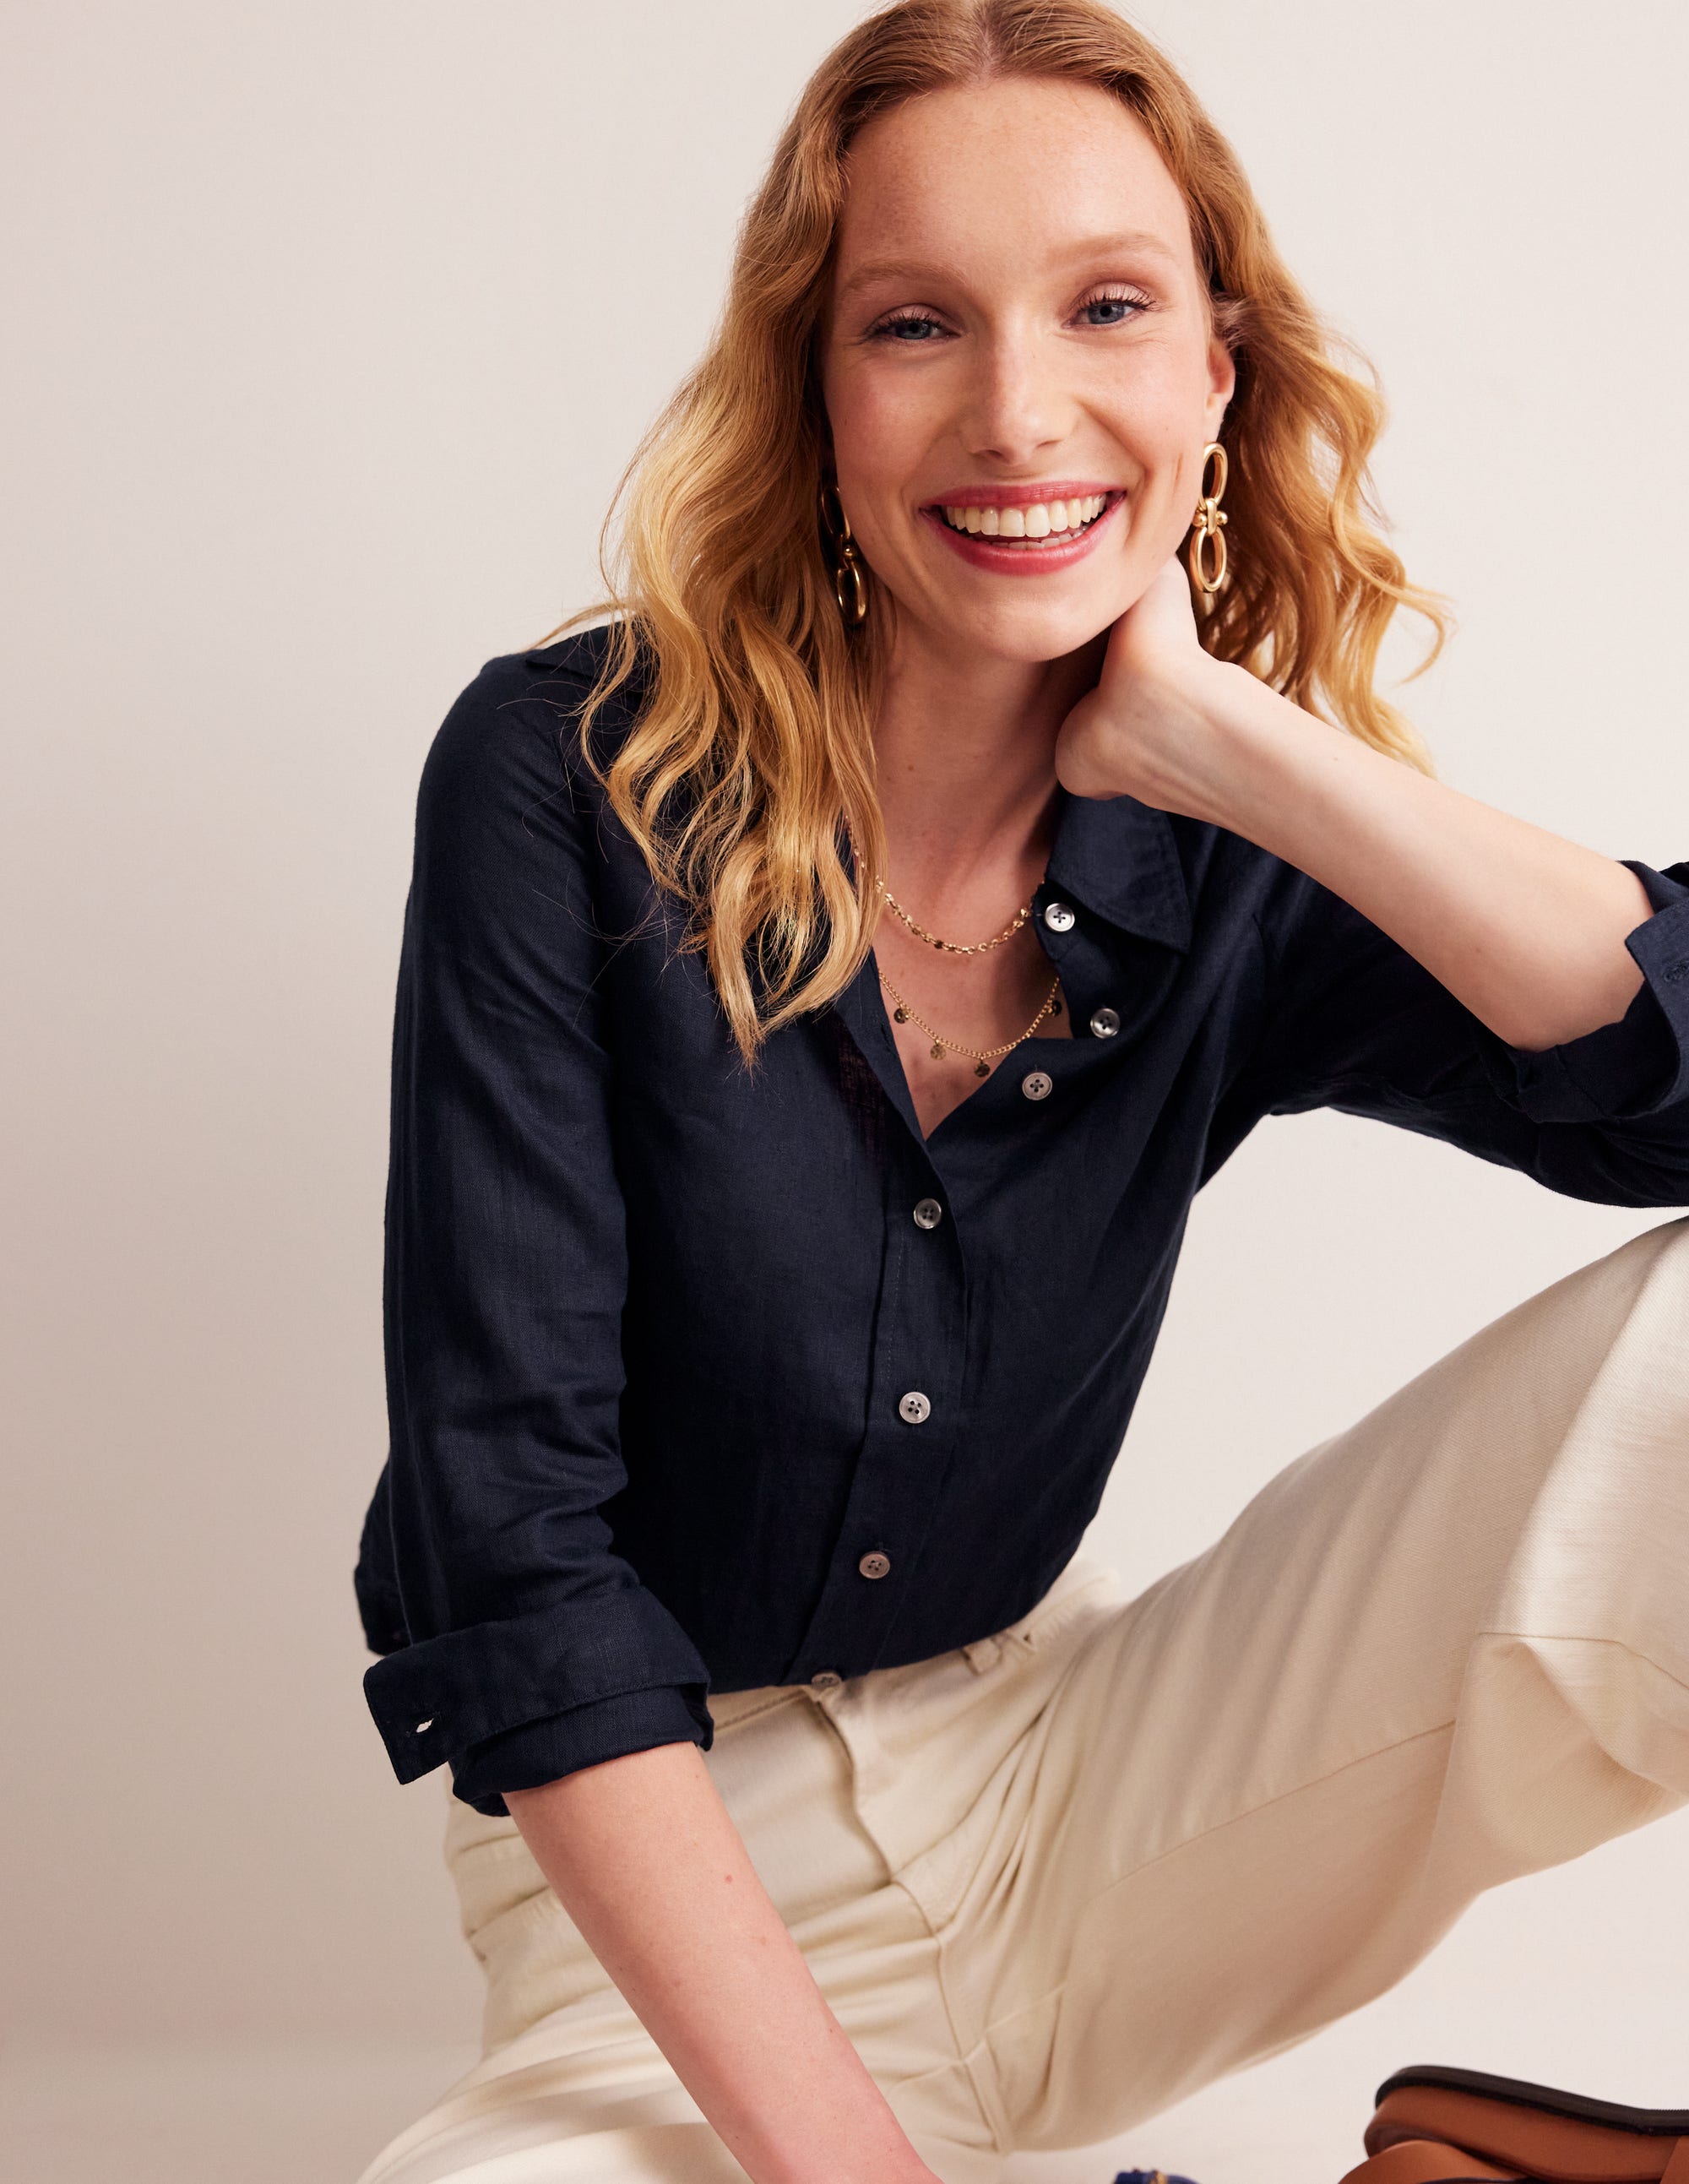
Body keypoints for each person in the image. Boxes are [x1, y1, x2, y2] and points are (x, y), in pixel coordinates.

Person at [351, 4, 1689, 2180]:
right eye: (913, 324)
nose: (1017, 408)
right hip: (670, 1918)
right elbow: (514, 1561)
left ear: (1214, 372)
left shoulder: (1234, 861)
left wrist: (1241, 749)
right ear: (816, 388)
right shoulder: (568, 781)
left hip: (1104, 1798)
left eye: (1106, 309)